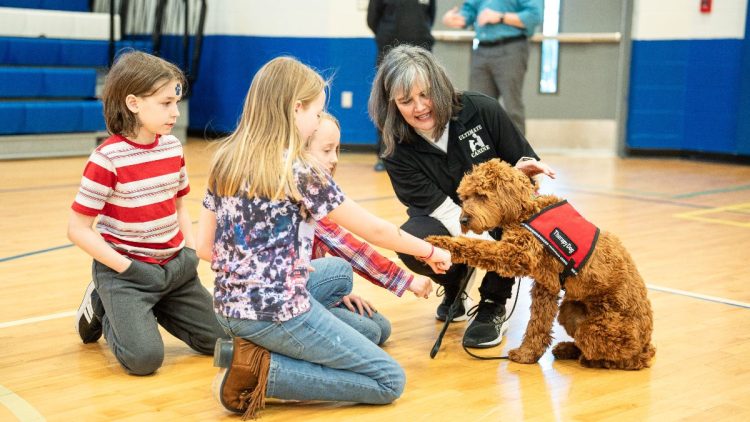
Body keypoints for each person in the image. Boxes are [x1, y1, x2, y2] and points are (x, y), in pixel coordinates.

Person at [196, 56, 451, 418]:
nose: (318, 121)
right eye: (317, 113)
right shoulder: (297, 170)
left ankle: (253, 351)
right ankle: (260, 373)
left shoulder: (226, 159)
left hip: (227, 307)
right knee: (388, 380)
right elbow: (374, 230)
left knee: (337, 274)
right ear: (296, 109)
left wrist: (279, 265)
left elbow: (204, 248)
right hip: (276, 312)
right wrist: (428, 251)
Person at [368, 45, 555, 349]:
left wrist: (524, 175)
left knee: (513, 223)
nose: (419, 107)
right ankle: (456, 283)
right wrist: (475, 252)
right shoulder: (396, 150)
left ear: (439, 87)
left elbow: (526, 169)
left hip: (499, 219)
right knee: (415, 240)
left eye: (425, 94)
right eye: (406, 101)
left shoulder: (482, 110)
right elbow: (441, 211)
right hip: (452, 219)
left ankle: (494, 303)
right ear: (392, 105)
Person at [68, 51, 226, 376]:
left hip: (175, 269)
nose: (175, 112)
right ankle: (102, 302)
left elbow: (179, 204)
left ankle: (154, 306)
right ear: (133, 103)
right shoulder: (106, 159)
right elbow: (77, 229)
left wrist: (191, 249)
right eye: (165, 103)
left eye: (176, 101)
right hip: (128, 274)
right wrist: (128, 269)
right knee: (144, 360)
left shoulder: (172, 147)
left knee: (224, 339)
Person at [308, 112, 434, 346]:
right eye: (326, 150)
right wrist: (408, 280)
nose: (334, 159)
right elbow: (350, 248)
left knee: (380, 328)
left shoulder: (319, 189)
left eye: (337, 150)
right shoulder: (304, 192)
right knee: (368, 331)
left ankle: (319, 310)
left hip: (306, 286)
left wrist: (330, 293)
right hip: (286, 296)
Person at [442, 0, 542, 134]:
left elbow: (534, 16)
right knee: (477, 105)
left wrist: (501, 17)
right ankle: (483, 152)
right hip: (481, 49)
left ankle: (517, 153)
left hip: (511, 48)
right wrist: (456, 19)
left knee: (512, 105)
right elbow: (469, 10)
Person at [367, 0, 436, 171]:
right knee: (387, 105)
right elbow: (372, 19)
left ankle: (423, 155)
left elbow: (431, 15)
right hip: (389, 53)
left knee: (424, 105)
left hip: (422, 52)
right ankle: (386, 155)